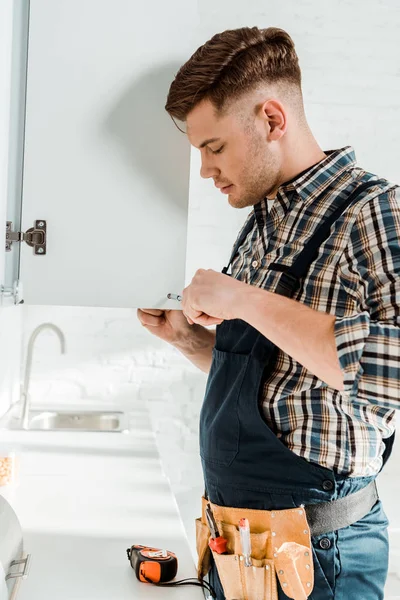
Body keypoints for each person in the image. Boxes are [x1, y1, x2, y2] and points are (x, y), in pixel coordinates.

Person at [137, 26, 399, 600]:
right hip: (246, 559)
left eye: (215, 147)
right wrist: (191, 343)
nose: (206, 170)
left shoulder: (375, 212)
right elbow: (287, 389)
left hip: (319, 562)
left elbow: (394, 373)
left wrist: (240, 299)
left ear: (272, 120)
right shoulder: (265, 223)